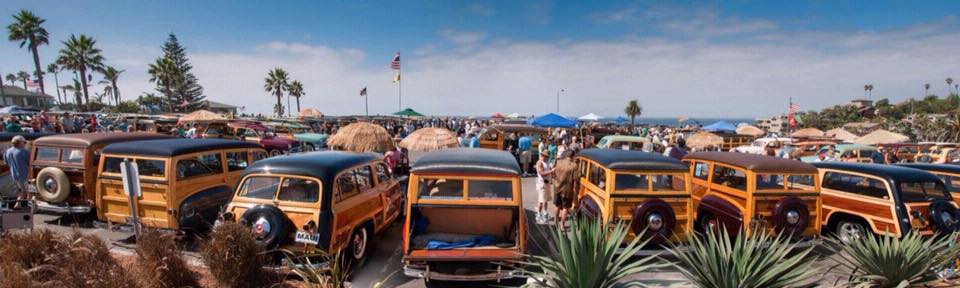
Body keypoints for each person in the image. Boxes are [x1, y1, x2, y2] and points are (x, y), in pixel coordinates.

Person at [552, 150, 579, 230]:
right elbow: (575, 179)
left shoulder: (559, 162)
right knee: (565, 208)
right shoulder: (574, 166)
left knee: (557, 205)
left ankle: (555, 222)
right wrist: (575, 192)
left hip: (557, 187)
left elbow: (554, 174)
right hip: (567, 191)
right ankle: (562, 225)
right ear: (572, 156)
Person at [5, 136, 31, 209]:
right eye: (24, 142)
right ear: (20, 143)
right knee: (30, 191)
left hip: (14, 175)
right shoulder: (24, 151)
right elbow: (30, 163)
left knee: (23, 191)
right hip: (26, 175)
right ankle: (32, 207)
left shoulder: (8, 151)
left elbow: (6, 162)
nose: (25, 144)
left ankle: (18, 204)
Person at [535, 150, 554, 225]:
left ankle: (544, 213)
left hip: (547, 183)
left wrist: (551, 168)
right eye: (545, 156)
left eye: (547, 156)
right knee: (541, 201)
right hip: (542, 183)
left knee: (545, 200)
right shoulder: (539, 162)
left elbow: (549, 168)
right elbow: (541, 173)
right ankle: (539, 215)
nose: (546, 157)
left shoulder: (547, 162)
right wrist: (551, 171)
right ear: (542, 155)